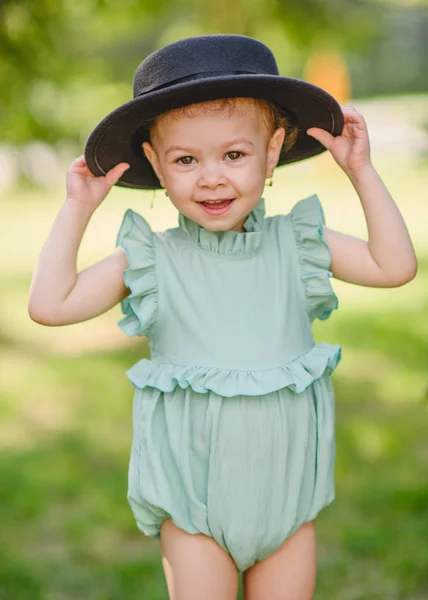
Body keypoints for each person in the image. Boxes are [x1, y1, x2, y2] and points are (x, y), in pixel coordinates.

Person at [28, 34, 417, 600]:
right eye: (186, 160)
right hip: (194, 505)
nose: (211, 177)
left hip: (286, 500)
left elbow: (394, 265)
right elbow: (49, 305)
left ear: (274, 150)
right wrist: (77, 208)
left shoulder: (298, 242)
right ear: (157, 165)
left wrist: (361, 171)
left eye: (234, 155)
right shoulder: (151, 259)